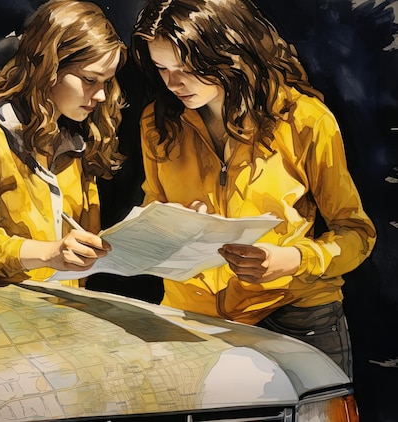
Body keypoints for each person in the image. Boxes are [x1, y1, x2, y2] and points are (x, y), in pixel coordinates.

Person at [131, 0, 376, 377]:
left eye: (189, 68)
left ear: (230, 53)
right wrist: (171, 224)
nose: (173, 83)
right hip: (190, 320)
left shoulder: (305, 119)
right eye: (162, 68)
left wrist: (293, 260)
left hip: (296, 316)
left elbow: (357, 233)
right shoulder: (158, 123)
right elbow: (153, 208)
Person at [0, 0, 127, 287]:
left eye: (106, 82)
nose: (101, 95)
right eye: (90, 80)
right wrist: (48, 253)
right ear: (49, 68)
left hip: (68, 317)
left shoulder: (79, 138)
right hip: (5, 318)